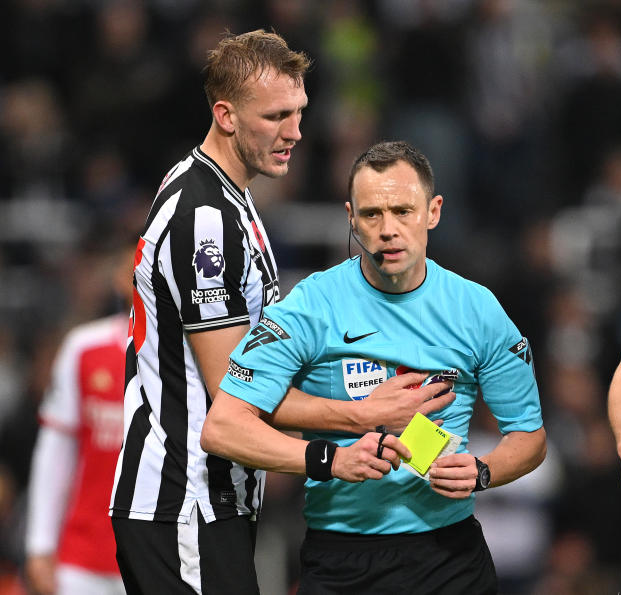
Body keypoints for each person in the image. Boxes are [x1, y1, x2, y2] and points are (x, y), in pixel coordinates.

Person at [110, 31, 451, 595]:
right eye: (274, 116)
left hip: (210, 503)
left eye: (298, 113)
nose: (294, 132)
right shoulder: (206, 222)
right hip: (184, 501)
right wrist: (354, 424)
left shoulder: (225, 199)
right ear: (225, 115)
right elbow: (237, 396)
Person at [201, 140, 547, 593]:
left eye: (403, 211)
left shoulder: (477, 309)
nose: (388, 230)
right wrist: (332, 458)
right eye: (371, 215)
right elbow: (222, 427)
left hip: (450, 559)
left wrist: (483, 471)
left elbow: (530, 436)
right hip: (341, 559)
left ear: (434, 211)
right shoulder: (311, 305)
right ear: (350, 218)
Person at [24, 246, 133, 595]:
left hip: (164, 553)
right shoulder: (84, 348)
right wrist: (40, 544)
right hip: (83, 555)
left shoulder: (195, 359)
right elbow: (55, 449)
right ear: (120, 278)